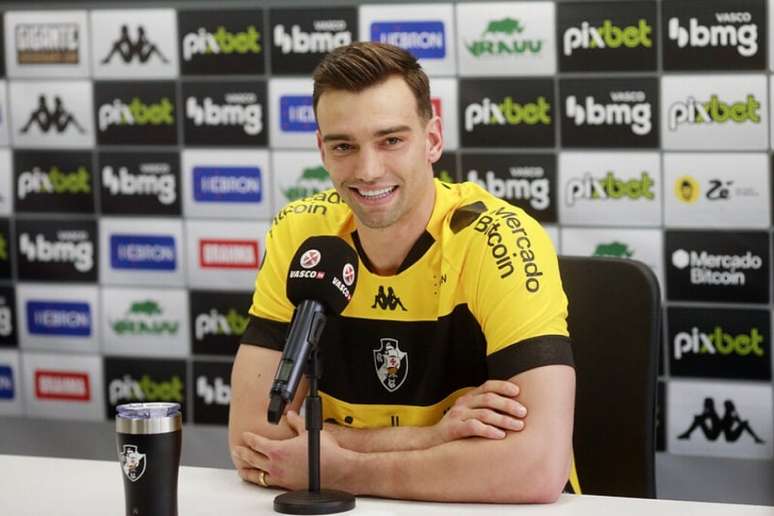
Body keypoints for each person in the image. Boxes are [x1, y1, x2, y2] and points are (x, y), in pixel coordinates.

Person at [229, 42, 577, 503]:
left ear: (432, 140)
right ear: (322, 149)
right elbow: (255, 441)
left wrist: (342, 466)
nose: (368, 170)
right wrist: (434, 436)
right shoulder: (300, 233)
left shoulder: (500, 239)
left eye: (391, 140)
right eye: (344, 146)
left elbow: (537, 467)